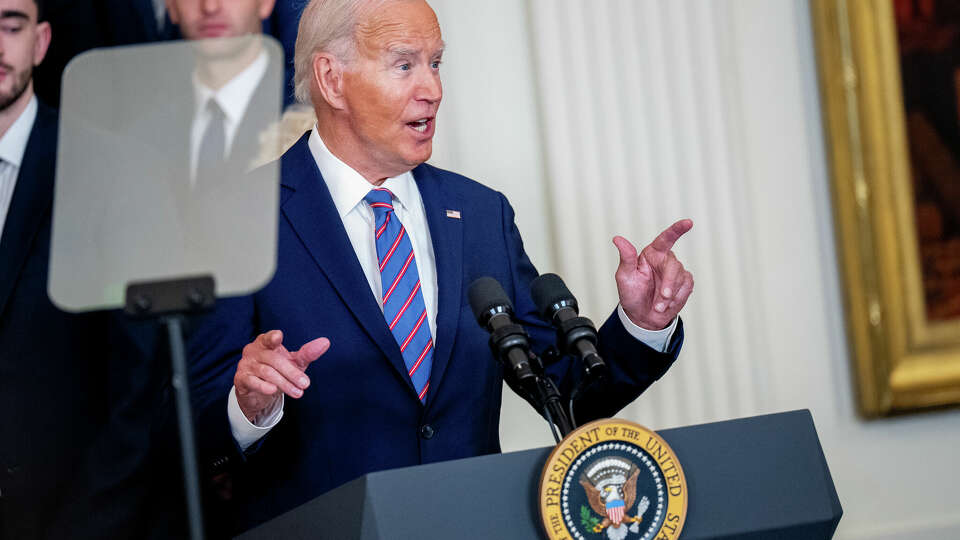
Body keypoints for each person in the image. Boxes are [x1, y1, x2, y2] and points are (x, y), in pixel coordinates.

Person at [189, 0, 694, 533]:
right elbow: (186, 427)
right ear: (331, 79)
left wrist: (642, 324)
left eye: (436, 63)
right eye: (405, 65)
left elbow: (566, 392)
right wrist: (246, 406)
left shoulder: (480, 214)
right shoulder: (237, 217)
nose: (433, 89)